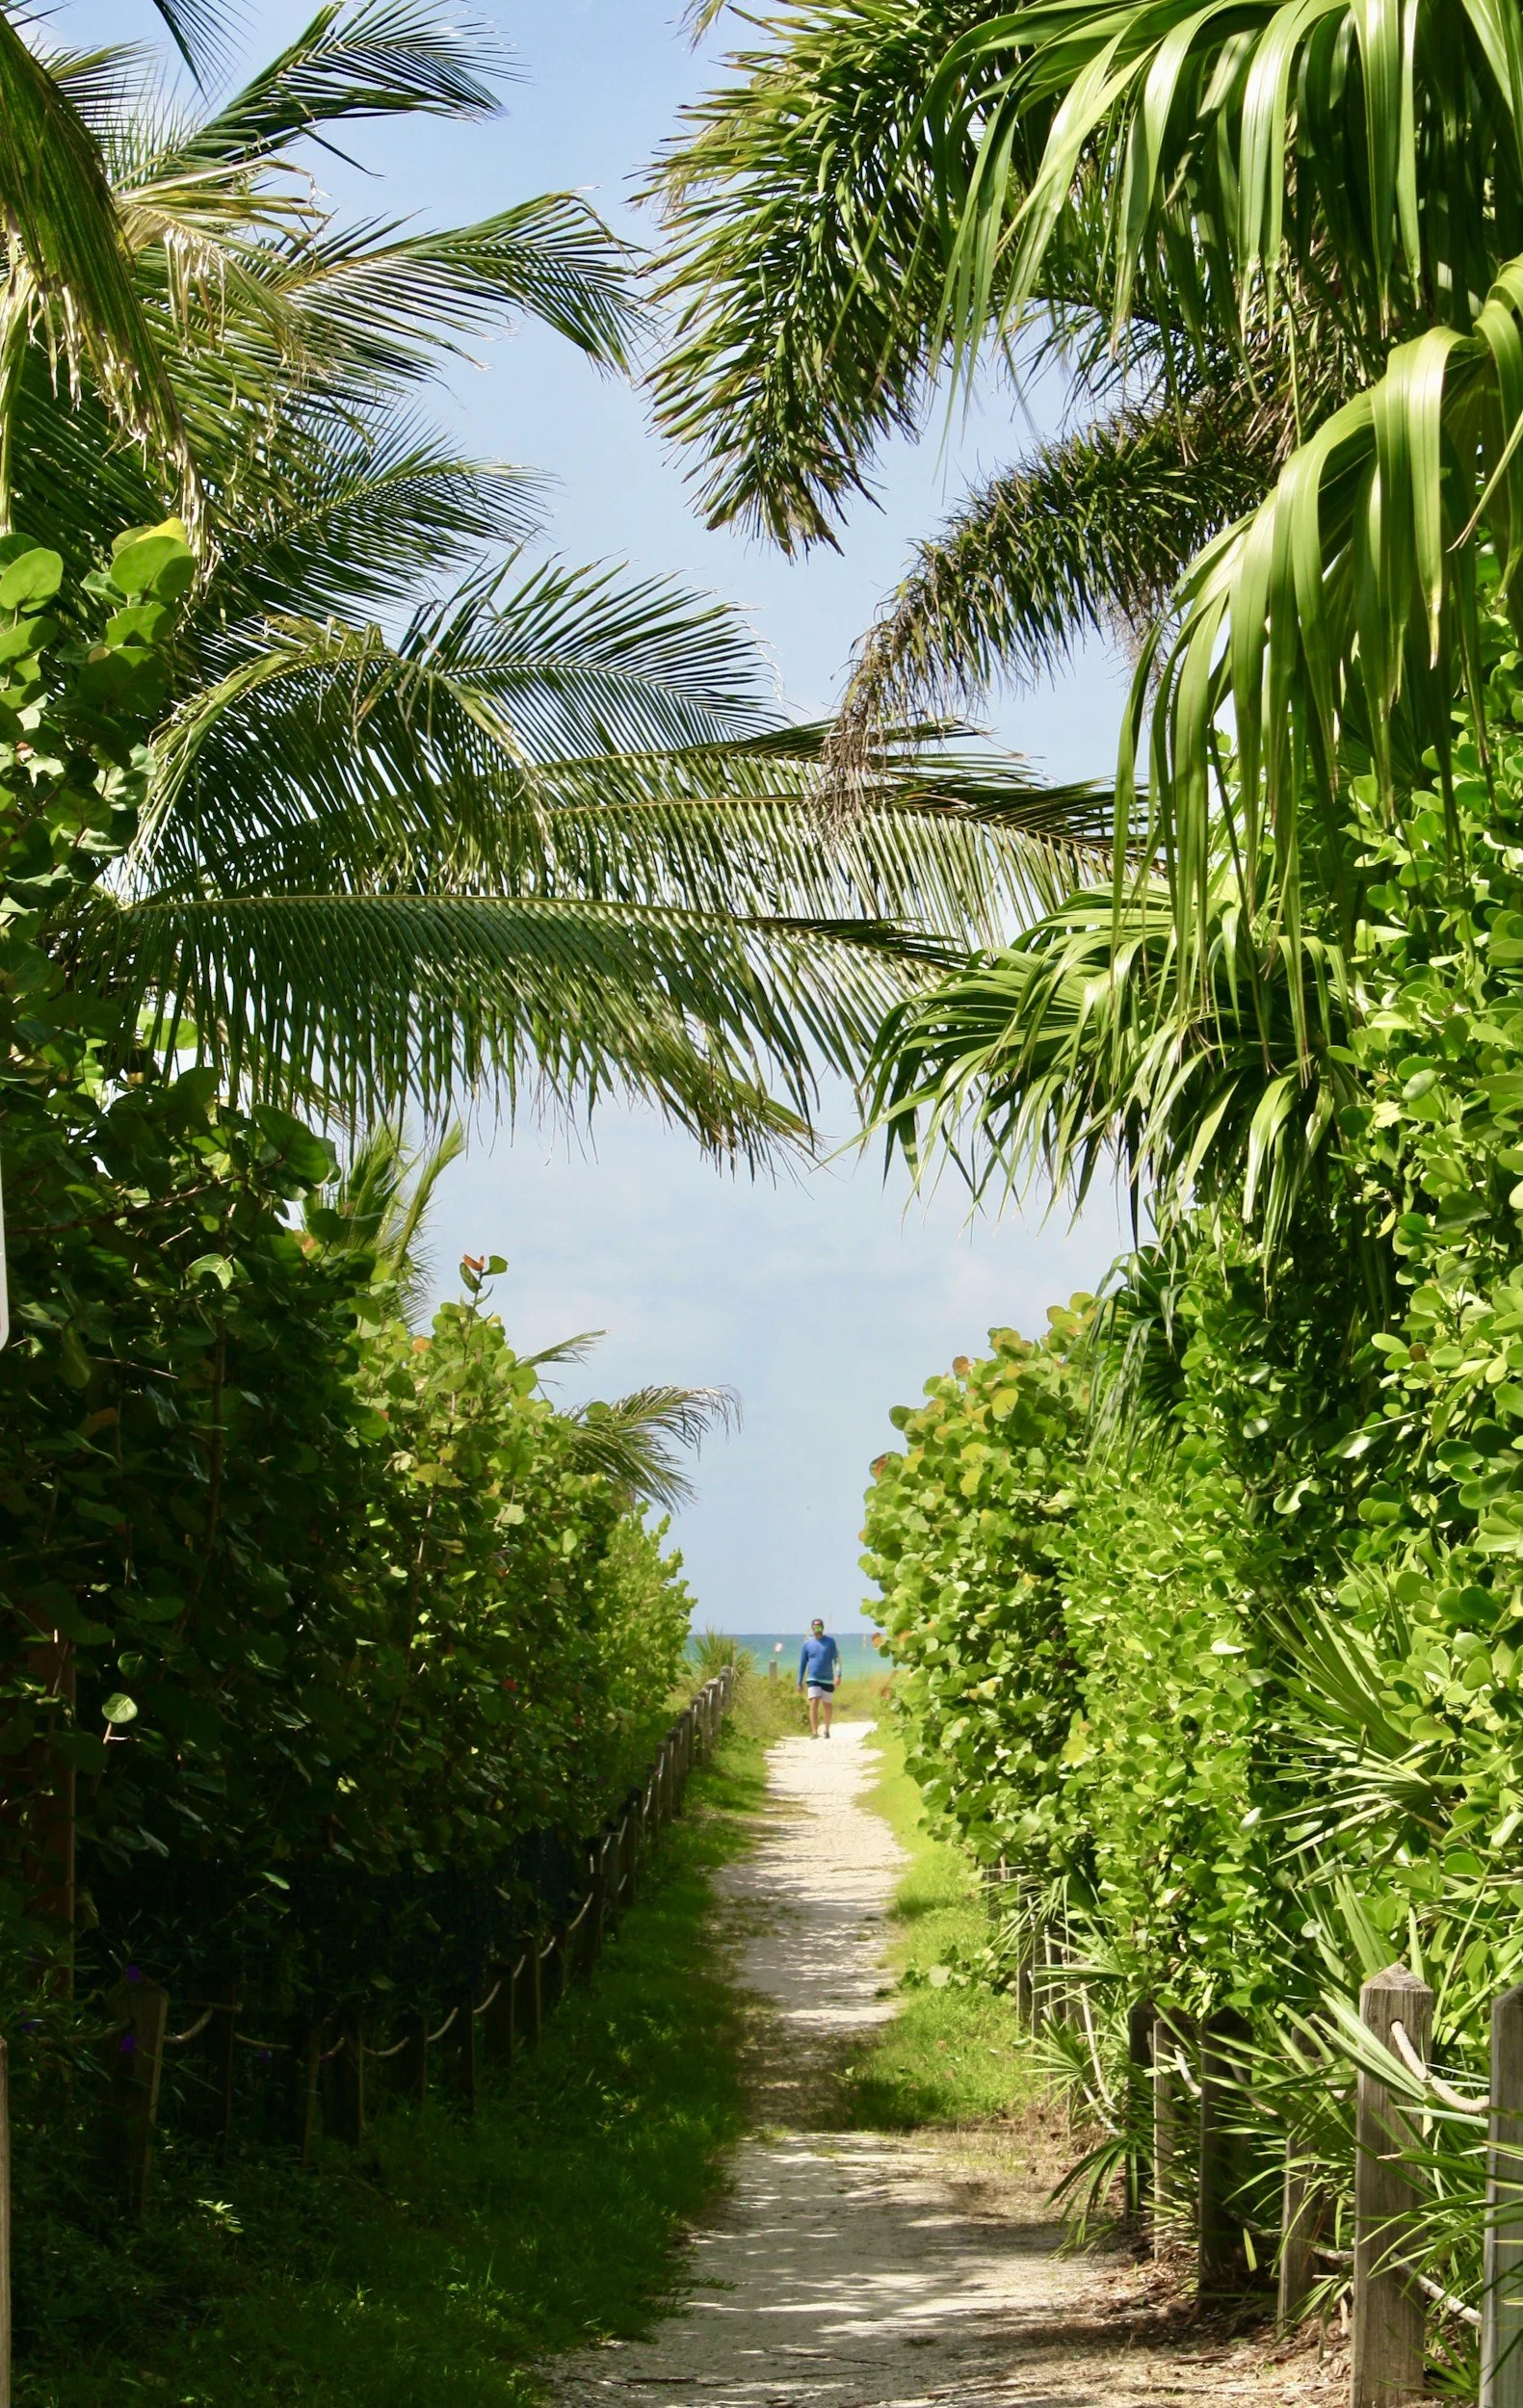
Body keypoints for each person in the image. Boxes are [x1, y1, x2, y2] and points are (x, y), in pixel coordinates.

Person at [797, 1620, 841, 1738]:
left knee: (827, 1705)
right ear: (812, 1628)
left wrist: (838, 1675)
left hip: (827, 1679)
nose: (817, 1630)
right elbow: (802, 1664)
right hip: (813, 1678)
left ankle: (826, 1730)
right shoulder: (807, 1645)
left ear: (823, 1628)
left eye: (819, 1627)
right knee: (814, 1701)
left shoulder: (830, 1642)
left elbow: (836, 1659)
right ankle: (815, 1732)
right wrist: (799, 1681)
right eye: (815, 1628)